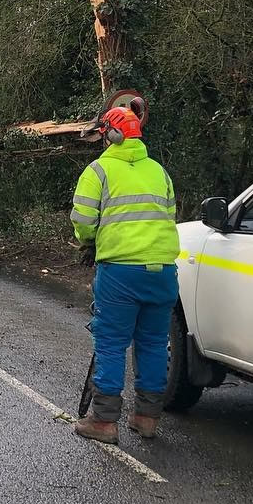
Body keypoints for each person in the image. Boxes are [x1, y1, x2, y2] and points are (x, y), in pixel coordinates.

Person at [70, 105, 180, 444]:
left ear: (110, 135)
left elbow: (84, 222)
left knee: (112, 342)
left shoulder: (99, 171)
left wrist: (89, 242)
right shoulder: (159, 172)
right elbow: (170, 215)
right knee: (152, 342)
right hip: (162, 271)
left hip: (121, 272)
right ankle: (147, 417)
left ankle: (103, 420)